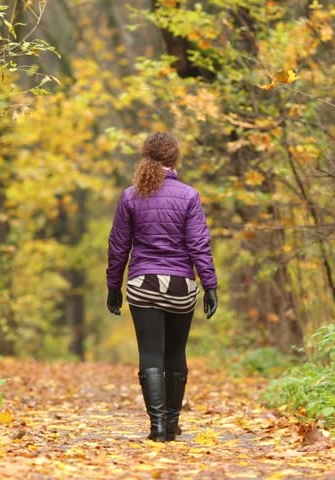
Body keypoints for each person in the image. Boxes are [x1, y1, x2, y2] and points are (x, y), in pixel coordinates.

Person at [106, 131, 218, 442]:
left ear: (145, 156)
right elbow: (199, 245)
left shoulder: (131, 196)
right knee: (176, 353)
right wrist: (209, 285)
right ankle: (171, 423)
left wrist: (114, 287)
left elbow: (118, 247)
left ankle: (156, 427)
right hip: (182, 285)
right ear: (174, 159)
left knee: (151, 354)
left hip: (144, 283)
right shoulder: (189, 196)